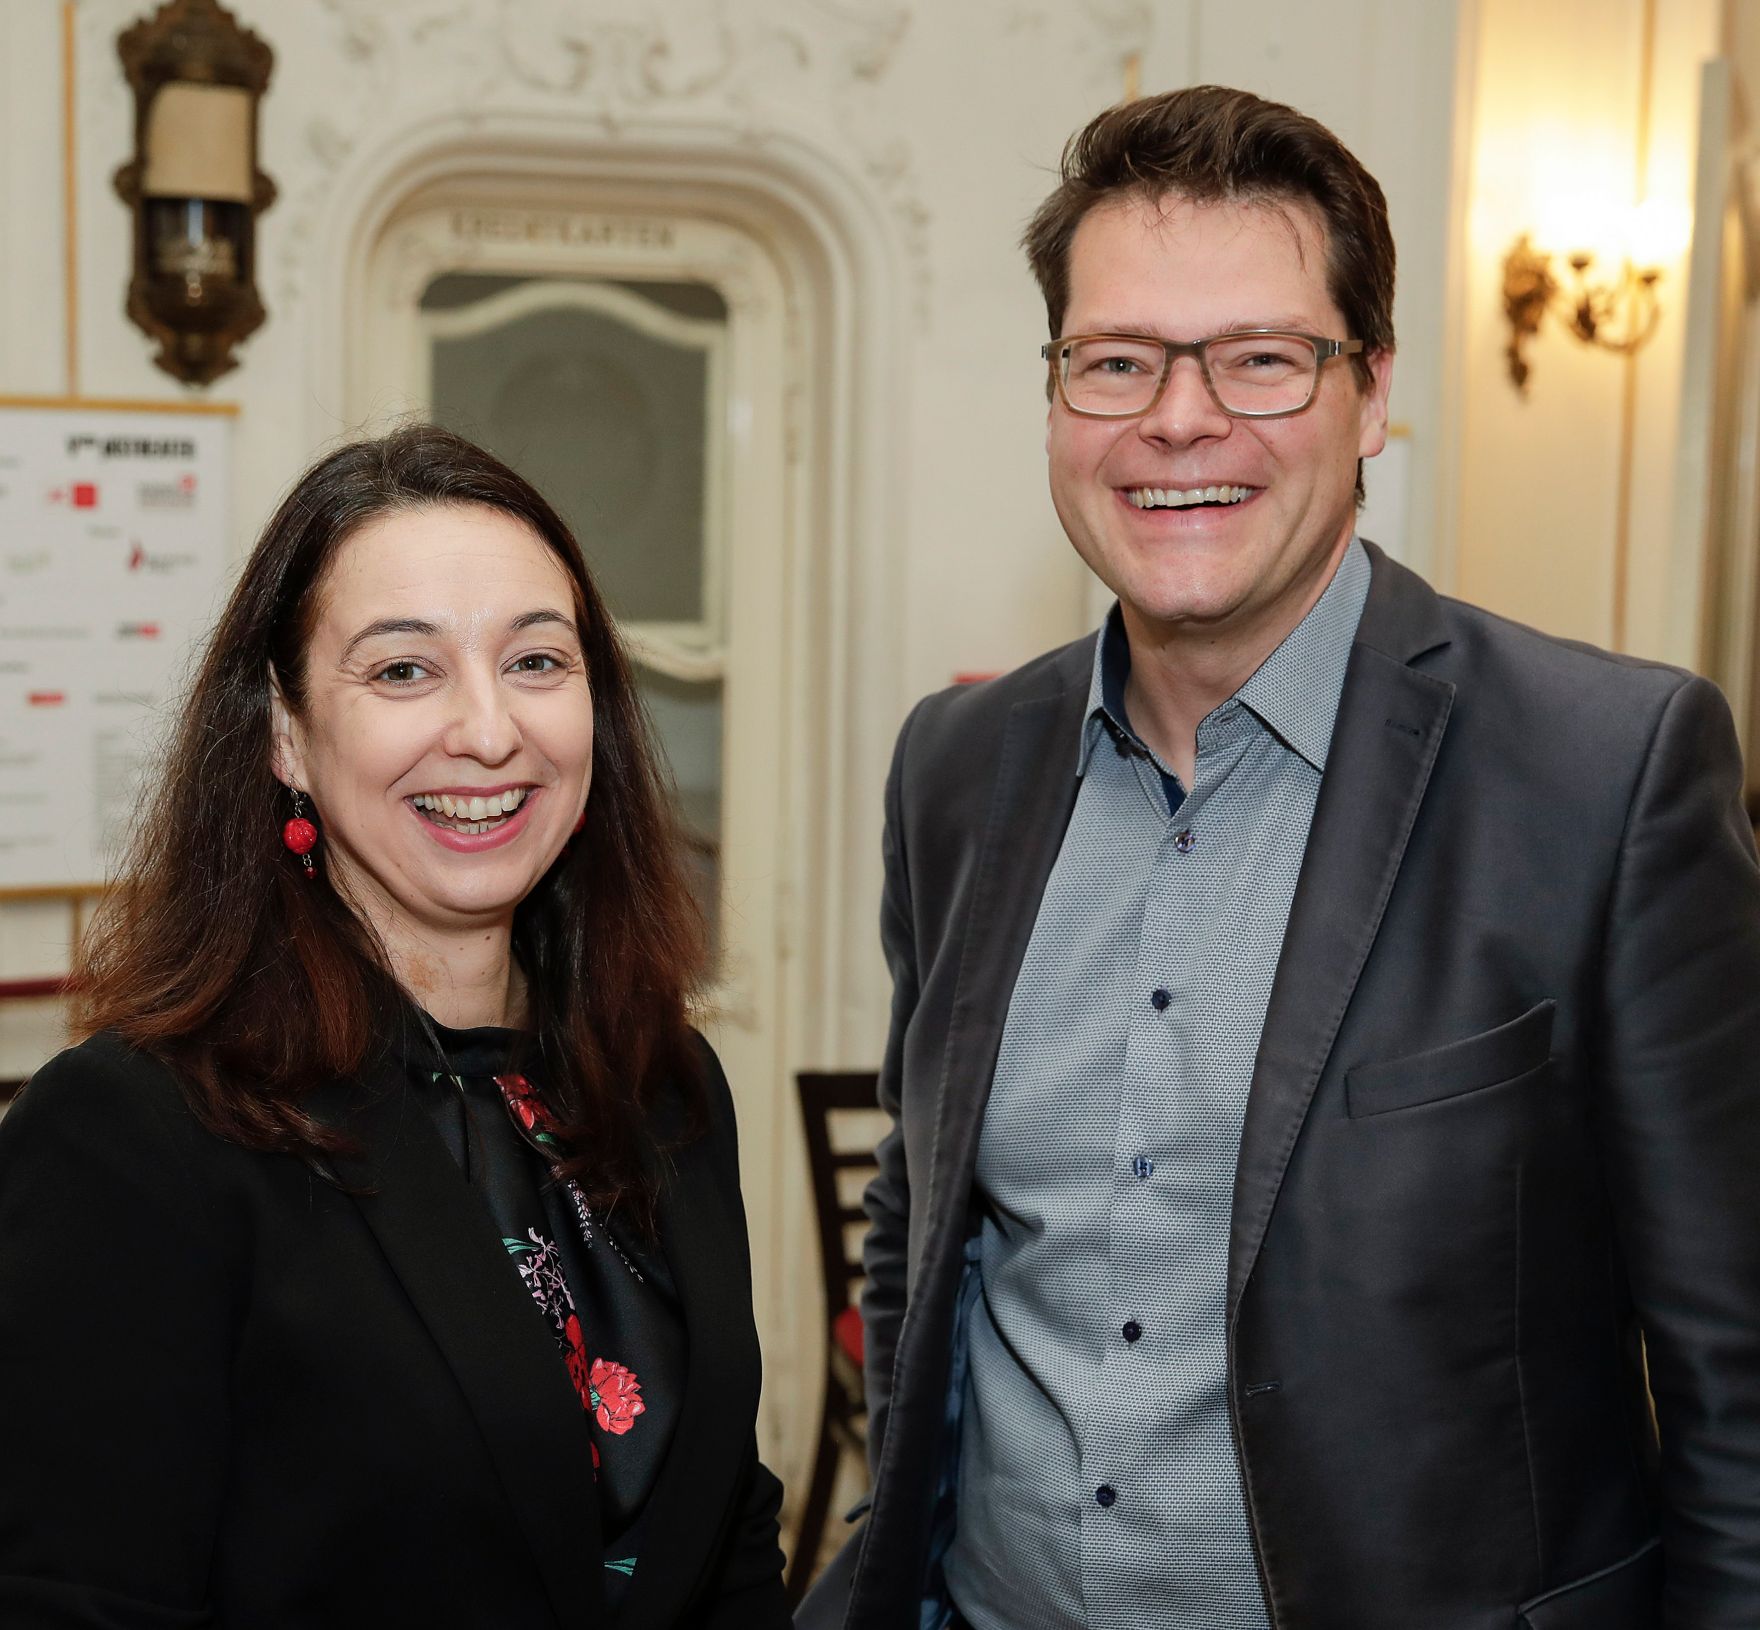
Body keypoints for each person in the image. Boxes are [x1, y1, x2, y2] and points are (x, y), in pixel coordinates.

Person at [800, 86, 1760, 1630]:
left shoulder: (1610, 774)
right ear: (1056, 395)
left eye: (1261, 358)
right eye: (1116, 362)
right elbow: (928, 1212)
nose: (1180, 420)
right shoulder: (956, 769)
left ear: (1373, 391)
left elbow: (1735, 1381)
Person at [0, 426, 789, 1628]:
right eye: (403, 672)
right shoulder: (133, 1134)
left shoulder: (666, 1086)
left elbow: (724, 1536)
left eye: (536, 660)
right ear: (283, 734)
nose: (486, 732)